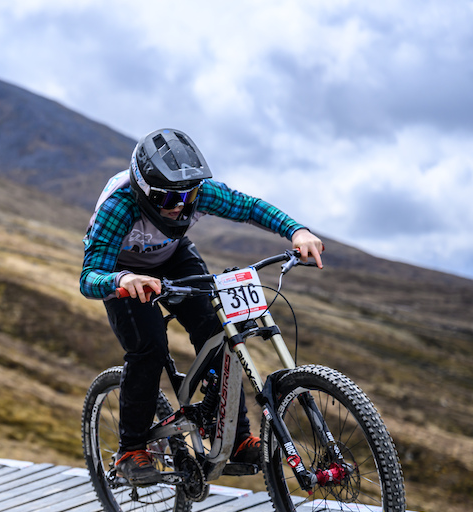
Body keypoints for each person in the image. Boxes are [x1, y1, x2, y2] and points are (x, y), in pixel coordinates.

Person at [80, 128, 324, 484]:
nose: (180, 205)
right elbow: (89, 278)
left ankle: (237, 437)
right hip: (124, 272)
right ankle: (131, 449)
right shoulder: (120, 206)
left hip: (173, 259)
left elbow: (249, 206)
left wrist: (296, 231)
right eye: (168, 199)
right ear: (144, 192)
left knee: (218, 332)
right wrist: (120, 282)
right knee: (148, 348)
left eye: (188, 196)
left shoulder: (197, 192)